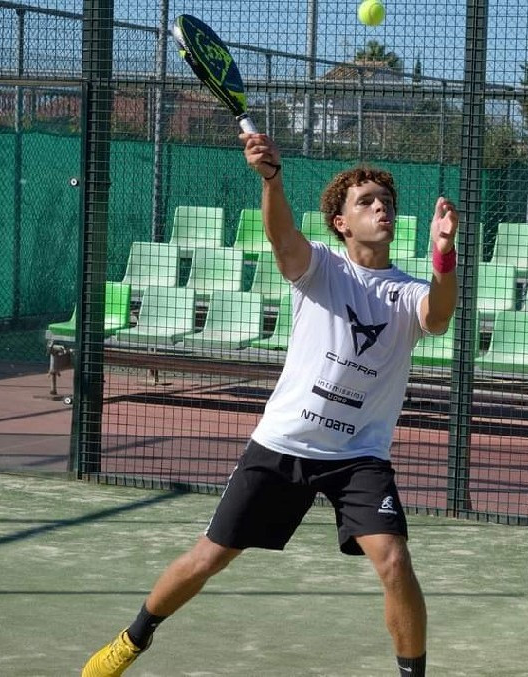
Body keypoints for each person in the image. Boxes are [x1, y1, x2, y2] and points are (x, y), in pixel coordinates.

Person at [81, 132, 458, 677]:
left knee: (395, 560)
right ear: (341, 222)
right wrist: (271, 179)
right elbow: (282, 238)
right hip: (283, 444)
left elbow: (439, 315)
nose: (381, 209)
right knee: (210, 557)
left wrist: (443, 255)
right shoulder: (321, 267)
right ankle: (132, 639)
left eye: (387, 202)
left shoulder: (407, 292)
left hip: (358, 456)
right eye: (366, 202)